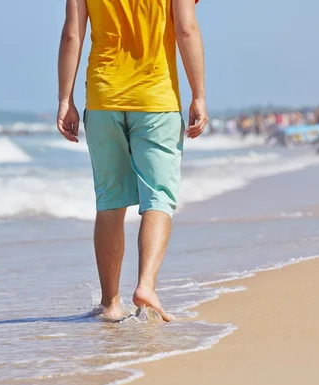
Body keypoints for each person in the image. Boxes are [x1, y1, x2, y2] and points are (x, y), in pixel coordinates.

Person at [56, 0, 207, 322]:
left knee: (110, 200)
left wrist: (65, 100)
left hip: (103, 99)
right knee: (158, 197)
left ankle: (111, 304)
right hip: (156, 100)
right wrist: (199, 95)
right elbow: (186, 29)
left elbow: (72, 35)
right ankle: (146, 287)